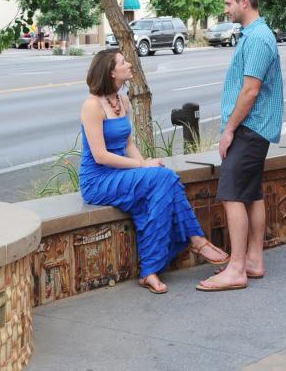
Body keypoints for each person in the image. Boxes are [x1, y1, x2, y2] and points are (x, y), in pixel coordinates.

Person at [79, 49, 229, 294]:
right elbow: (100, 156)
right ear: (111, 71)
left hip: (121, 174)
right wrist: (142, 166)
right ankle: (195, 241)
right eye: (123, 62)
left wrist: (145, 162)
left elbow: (128, 144)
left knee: (161, 183)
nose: (129, 64)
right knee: (164, 177)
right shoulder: (92, 106)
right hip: (98, 180)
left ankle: (151, 271)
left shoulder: (122, 101)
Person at [198, 0, 284, 292]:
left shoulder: (259, 38)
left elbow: (250, 90)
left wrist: (229, 130)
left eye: (229, 4)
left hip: (250, 127)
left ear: (244, 1)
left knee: (232, 194)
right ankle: (253, 260)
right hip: (254, 127)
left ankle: (236, 268)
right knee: (251, 193)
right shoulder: (254, 35)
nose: (226, 10)